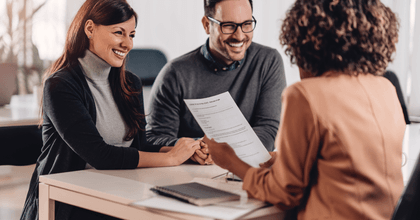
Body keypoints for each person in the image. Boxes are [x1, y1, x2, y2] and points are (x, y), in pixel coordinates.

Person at [204, 0, 405, 219]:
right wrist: (286, 160)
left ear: (306, 45)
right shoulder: (386, 89)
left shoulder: (305, 95)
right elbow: (351, 163)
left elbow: (283, 193)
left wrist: (231, 161)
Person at [20, 1, 200, 219]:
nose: (127, 44)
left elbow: (140, 145)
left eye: (131, 35)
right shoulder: (60, 86)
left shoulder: (130, 84)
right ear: (89, 29)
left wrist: (184, 149)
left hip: (117, 189)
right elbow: (100, 155)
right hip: (67, 202)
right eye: (119, 32)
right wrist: (171, 159)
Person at [146, 0, 287, 164]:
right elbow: (154, 138)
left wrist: (220, 149)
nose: (240, 36)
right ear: (207, 25)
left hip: (243, 171)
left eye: (247, 24)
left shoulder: (268, 61)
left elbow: (269, 129)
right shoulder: (175, 73)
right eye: (228, 26)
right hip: (189, 174)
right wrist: (195, 148)